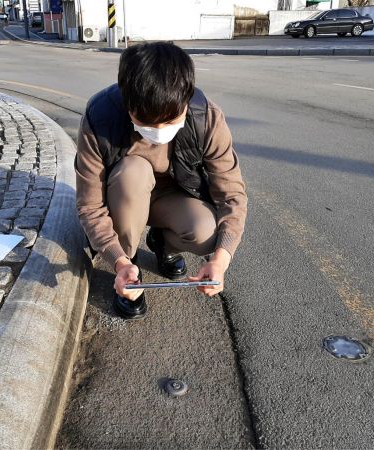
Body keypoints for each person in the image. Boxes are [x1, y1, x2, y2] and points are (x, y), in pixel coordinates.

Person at [75, 42, 247, 320]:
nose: (158, 130)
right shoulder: (100, 119)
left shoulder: (207, 119)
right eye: (145, 121)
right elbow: (90, 206)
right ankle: (130, 268)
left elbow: (232, 195)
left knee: (208, 232)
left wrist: (221, 258)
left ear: (186, 99)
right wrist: (118, 261)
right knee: (133, 171)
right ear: (127, 102)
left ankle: (164, 245)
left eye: (170, 121)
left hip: (172, 198)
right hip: (124, 196)